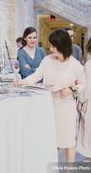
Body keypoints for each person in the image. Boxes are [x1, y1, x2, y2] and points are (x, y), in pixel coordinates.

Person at [14, 29, 86, 163]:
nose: (51, 49)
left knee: (69, 141)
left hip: (66, 108)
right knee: (51, 141)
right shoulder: (47, 60)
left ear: (62, 46)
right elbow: (36, 76)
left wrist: (71, 89)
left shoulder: (75, 65)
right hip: (48, 106)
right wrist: (21, 82)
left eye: (54, 46)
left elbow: (83, 84)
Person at [76, 58, 91, 162]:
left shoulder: (89, 64)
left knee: (88, 129)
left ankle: (89, 157)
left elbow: (87, 87)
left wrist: (80, 100)